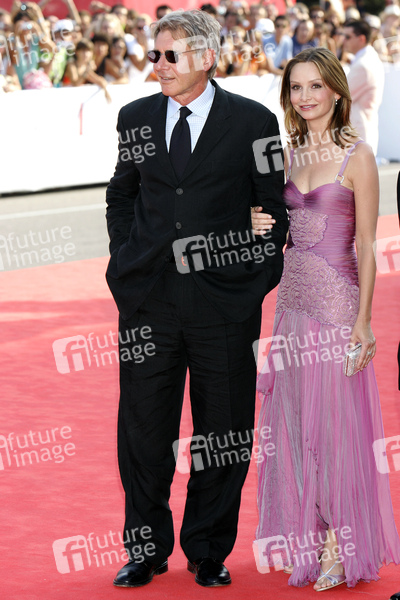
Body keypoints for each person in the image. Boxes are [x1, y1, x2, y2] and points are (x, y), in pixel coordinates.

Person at [105, 8, 288, 589]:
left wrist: (253, 280)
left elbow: (274, 211)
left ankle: (208, 549)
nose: (158, 65)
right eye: (154, 54)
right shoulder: (135, 117)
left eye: (170, 55)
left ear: (207, 57)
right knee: (142, 433)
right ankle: (146, 550)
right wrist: (125, 259)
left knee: (225, 433)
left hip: (225, 304)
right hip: (148, 300)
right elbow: (121, 196)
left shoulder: (255, 121)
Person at [252, 47, 400, 590]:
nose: (305, 96)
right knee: (297, 426)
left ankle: (344, 543)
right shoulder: (286, 156)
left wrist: (364, 320)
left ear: (337, 91)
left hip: (338, 310)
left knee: (338, 429)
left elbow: (367, 245)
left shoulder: (357, 155)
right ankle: (312, 536)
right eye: (296, 87)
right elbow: (278, 229)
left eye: (316, 86)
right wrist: (257, 219)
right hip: (291, 308)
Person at [343, 19, 385, 156]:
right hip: (362, 131)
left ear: (361, 39)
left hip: (358, 134)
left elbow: (342, 96)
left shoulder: (363, 65)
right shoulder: (369, 58)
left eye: (348, 37)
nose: (343, 40)